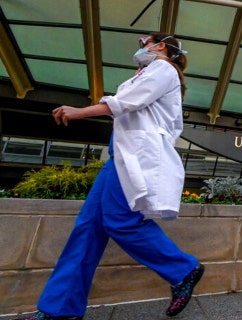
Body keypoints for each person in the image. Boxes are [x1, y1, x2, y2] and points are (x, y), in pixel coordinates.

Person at [15, 32, 204, 320]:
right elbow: (126, 104)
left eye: (145, 43)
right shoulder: (149, 72)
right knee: (87, 229)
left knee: (120, 220)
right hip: (120, 156)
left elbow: (126, 103)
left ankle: (182, 269)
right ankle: (60, 310)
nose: (141, 48)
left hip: (136, 157)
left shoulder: (163, 69)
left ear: (161, 45)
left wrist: (79, 112)